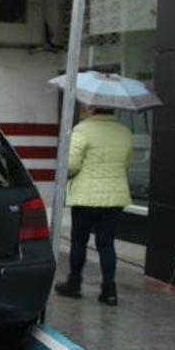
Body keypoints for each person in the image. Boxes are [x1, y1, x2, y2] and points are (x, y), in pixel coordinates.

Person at [54, 107, 133, 306]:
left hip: (86, 197)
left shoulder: (83, 129)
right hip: (114, 198)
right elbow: (126, 163)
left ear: (92, 109)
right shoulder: (124, 131)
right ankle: (109, 291)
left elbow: (70, 165)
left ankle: (74, 284)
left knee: (79, 241)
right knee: (106, 243)